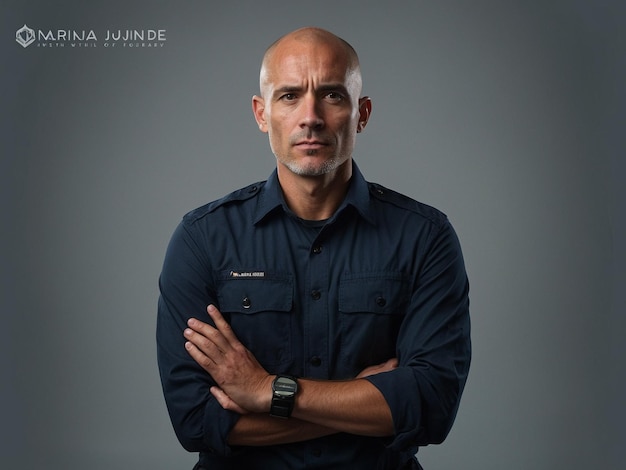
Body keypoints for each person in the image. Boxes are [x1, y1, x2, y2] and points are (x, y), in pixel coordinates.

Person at [157, 26, 471, 469]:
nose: (311, 117)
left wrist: (268, 391)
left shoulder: (425, 237)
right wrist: (361, 405)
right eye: (288, 96)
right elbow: (197, 422)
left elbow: (431, 407)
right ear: (261, 114)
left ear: (361, 113)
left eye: (332, 95)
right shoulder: (202, 239)